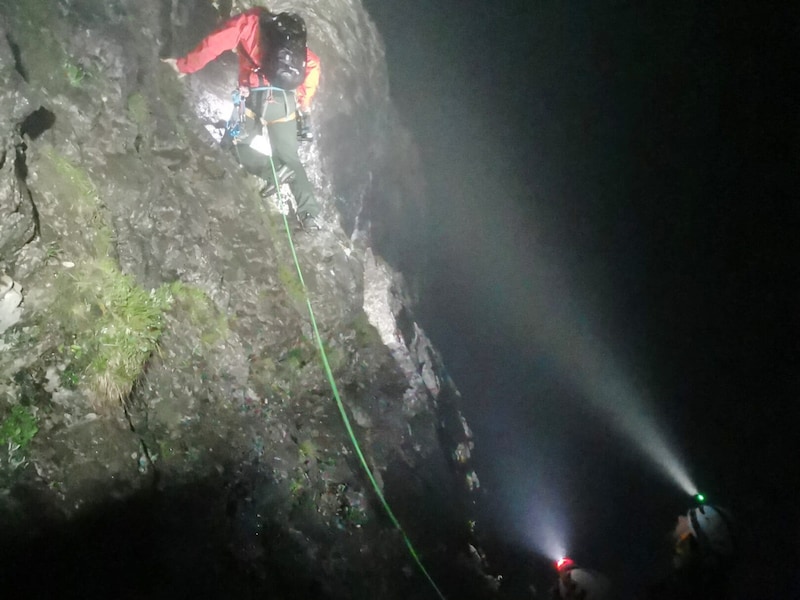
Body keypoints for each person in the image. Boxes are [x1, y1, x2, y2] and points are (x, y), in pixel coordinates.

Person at [163, 7, 322, 231]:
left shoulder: (246, 23)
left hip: (253, 100)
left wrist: (183, 66)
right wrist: (302, 100)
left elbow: (212, 45)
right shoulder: (285, 37)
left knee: (235, 144)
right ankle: (310, 217)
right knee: (290, 158)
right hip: (285, 103)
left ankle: (273, 172)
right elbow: (313, 64)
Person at [642, 503, 737, 600]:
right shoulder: (701, 588)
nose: (680, 518)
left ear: (690, 536)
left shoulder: (674, 591)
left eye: (688, 518)